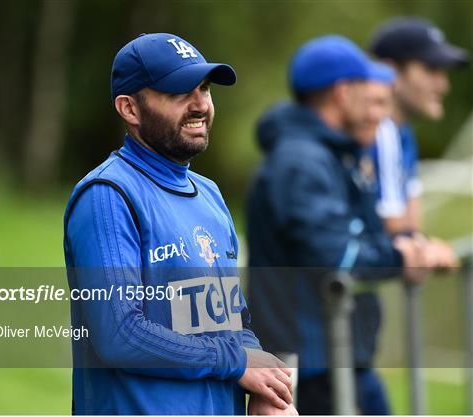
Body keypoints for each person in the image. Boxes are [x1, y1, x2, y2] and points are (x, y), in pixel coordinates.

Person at [63, 33, 296, 415]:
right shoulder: (107, 195)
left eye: (204, 88)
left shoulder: (209, 194)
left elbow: (233, 319)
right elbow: (120, 335)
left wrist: (268, 388)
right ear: (129, 108)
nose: (200, 104)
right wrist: (236, 362)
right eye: (178, 92)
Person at [247, 35, 431, 415]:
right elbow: (337, 254)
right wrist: (399, 257)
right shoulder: (301, 161)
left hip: (337, 358)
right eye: (370, 94)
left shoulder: (331, 154)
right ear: (343, 92)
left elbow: (362, 232)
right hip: (315, 367)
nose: (379, 111)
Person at [369, 17, 469, 268]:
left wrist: (421, 245)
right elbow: (396, 233)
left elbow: (411, 227)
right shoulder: (379, 130)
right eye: (431, 70)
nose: (443, 85)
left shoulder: (402, 132)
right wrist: (426, 249)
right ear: (391, 71)